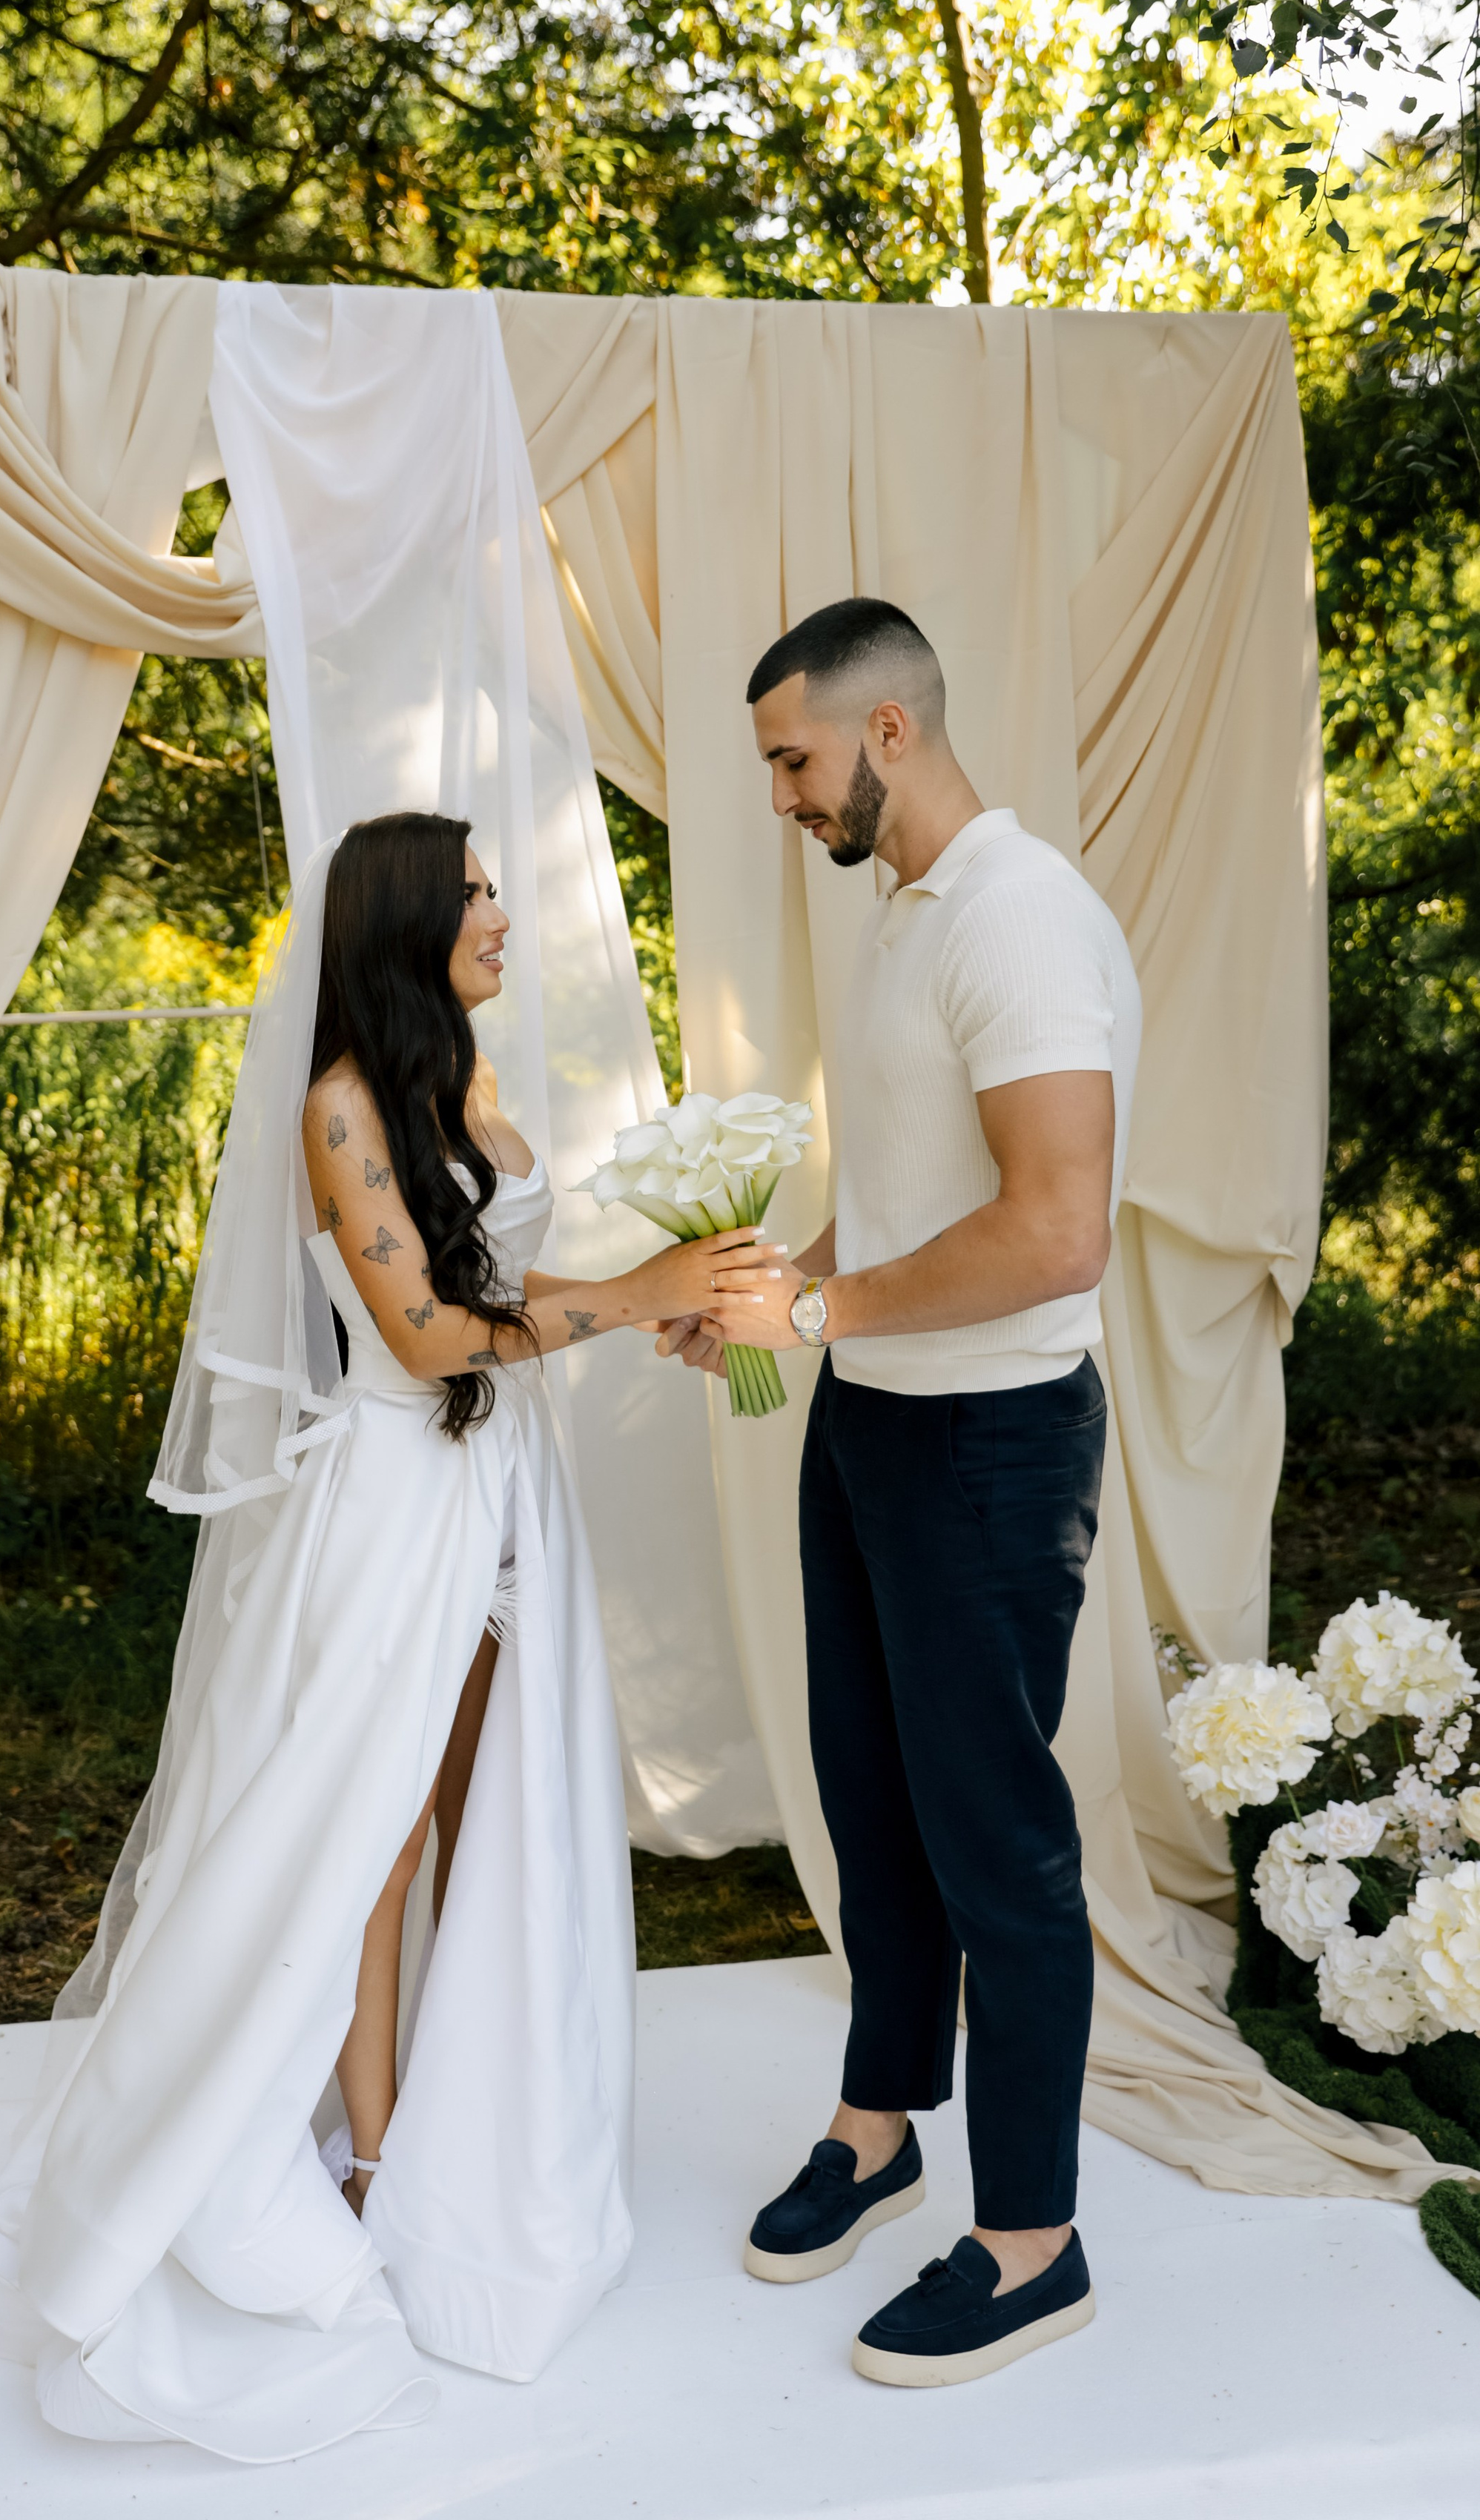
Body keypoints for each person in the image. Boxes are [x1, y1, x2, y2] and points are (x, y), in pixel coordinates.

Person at [0, 809, 772, 2461]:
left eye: (496, 890)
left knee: (479, 1812)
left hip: (501, 1496)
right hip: (388, 1509)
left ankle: (473, 2117)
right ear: (407, 917)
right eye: (476, 893)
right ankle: (364, 2139)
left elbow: (500, 1278)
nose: (500, 914)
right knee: (369, 1831)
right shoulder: (339, 1110)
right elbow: (422, 1336)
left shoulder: (461, 1089)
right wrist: (632, 1297)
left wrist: (664, 1302)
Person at [667, 598, 1140, 2388]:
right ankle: (880, 2127)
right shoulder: (905, 914)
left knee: (995, 1847)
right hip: (868, 1421)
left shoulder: (1015, 919)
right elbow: (908, 1198)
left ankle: (1032, 2242)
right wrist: (771, 1304)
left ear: (882, 734)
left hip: (989, 1448)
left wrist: (825, 1306)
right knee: (871, 1806)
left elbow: (1051, 1227)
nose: (778, 796)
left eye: (790, 758)